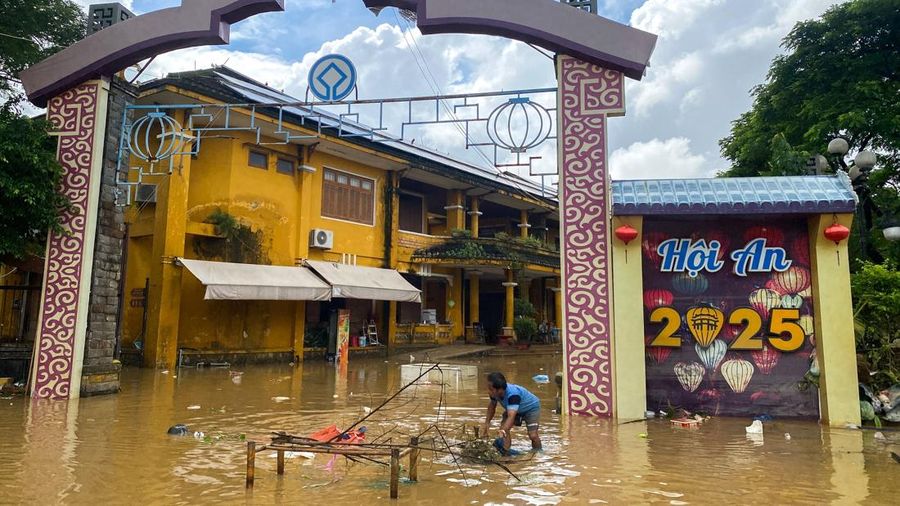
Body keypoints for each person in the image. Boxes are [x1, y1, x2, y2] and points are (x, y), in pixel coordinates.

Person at [481, 372, 542, 454]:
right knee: (504, 428)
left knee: (533, 435)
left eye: (491, 389)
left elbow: (511, 417)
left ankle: (537, 454)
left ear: (500, 390)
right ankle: (505, 452)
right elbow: (492, 406)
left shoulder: (513, 395)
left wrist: (503, 430)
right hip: (513, 409)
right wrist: (487, 423)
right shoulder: (494, 393)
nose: (489, 391)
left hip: (531, 408)